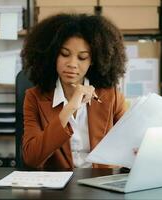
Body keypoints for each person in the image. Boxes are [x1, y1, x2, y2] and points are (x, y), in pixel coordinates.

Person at [20, 13, 127, 169]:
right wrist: (69, 108)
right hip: (59, 187)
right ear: (51, 55)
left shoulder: (112, 96)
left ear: (93, 61)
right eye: (64, 54)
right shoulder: (34, 97)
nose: (72, 64)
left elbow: (129, 145)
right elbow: (31, 158)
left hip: (99, 185)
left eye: (82, 57)